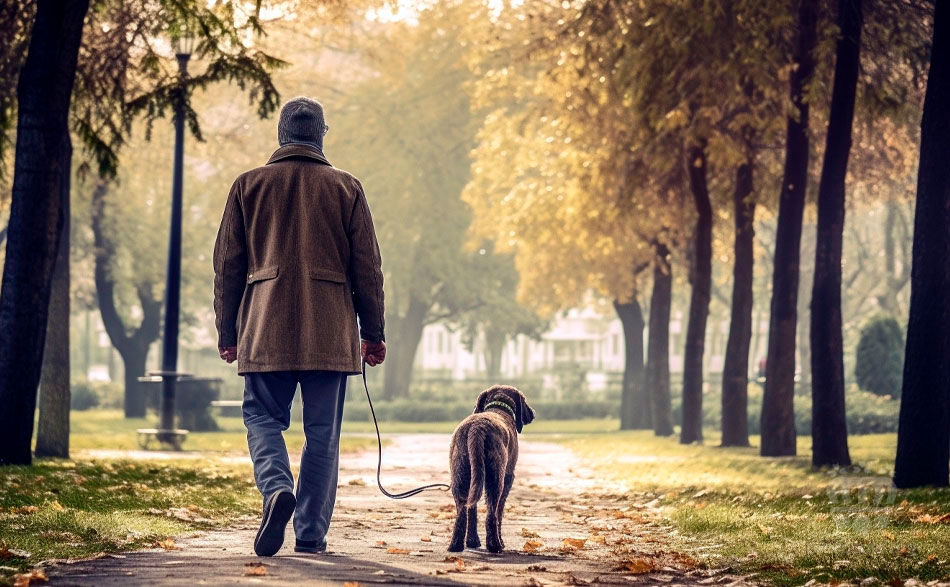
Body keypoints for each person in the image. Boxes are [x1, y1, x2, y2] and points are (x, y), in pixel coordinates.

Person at [212, 97, 386, 557]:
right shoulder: (346, 187)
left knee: (260, 416)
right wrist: (374, 332)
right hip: (329, 329)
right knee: (323, 432)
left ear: (281, 135)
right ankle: (310, 533)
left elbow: (228, 265)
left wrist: (227, 332)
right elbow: (367, 267)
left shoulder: (248, 186)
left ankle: (275, 490)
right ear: (321, 135)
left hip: (264, 325)